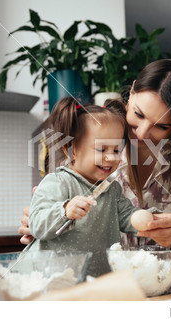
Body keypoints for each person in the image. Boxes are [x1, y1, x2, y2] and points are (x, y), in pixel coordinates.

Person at [20, 59, 171, 283]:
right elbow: (65, 188)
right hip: (113, 287)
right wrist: (47, 214)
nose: (142, 133)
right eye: (139, 115)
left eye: (162, 126)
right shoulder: (99, 130)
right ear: (131, 92)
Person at [21, 97, 160, 277]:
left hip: (92, 279)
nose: (111, 158)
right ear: (71, 149)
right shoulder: (57, 182)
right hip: (50, 277)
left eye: (117, 150)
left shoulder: (112, 189)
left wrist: (151, 219)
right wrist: (65, 210)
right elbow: (37, 224)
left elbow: (127, 216)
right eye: (102, 150)